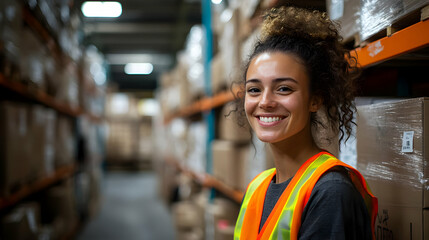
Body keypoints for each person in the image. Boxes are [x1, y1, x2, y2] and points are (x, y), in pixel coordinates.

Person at [233, 6, 378, 240]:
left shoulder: (331, 192)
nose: (265, 102)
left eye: (284, 88)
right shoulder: (256, 188)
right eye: (254, 89)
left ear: (315, 99)